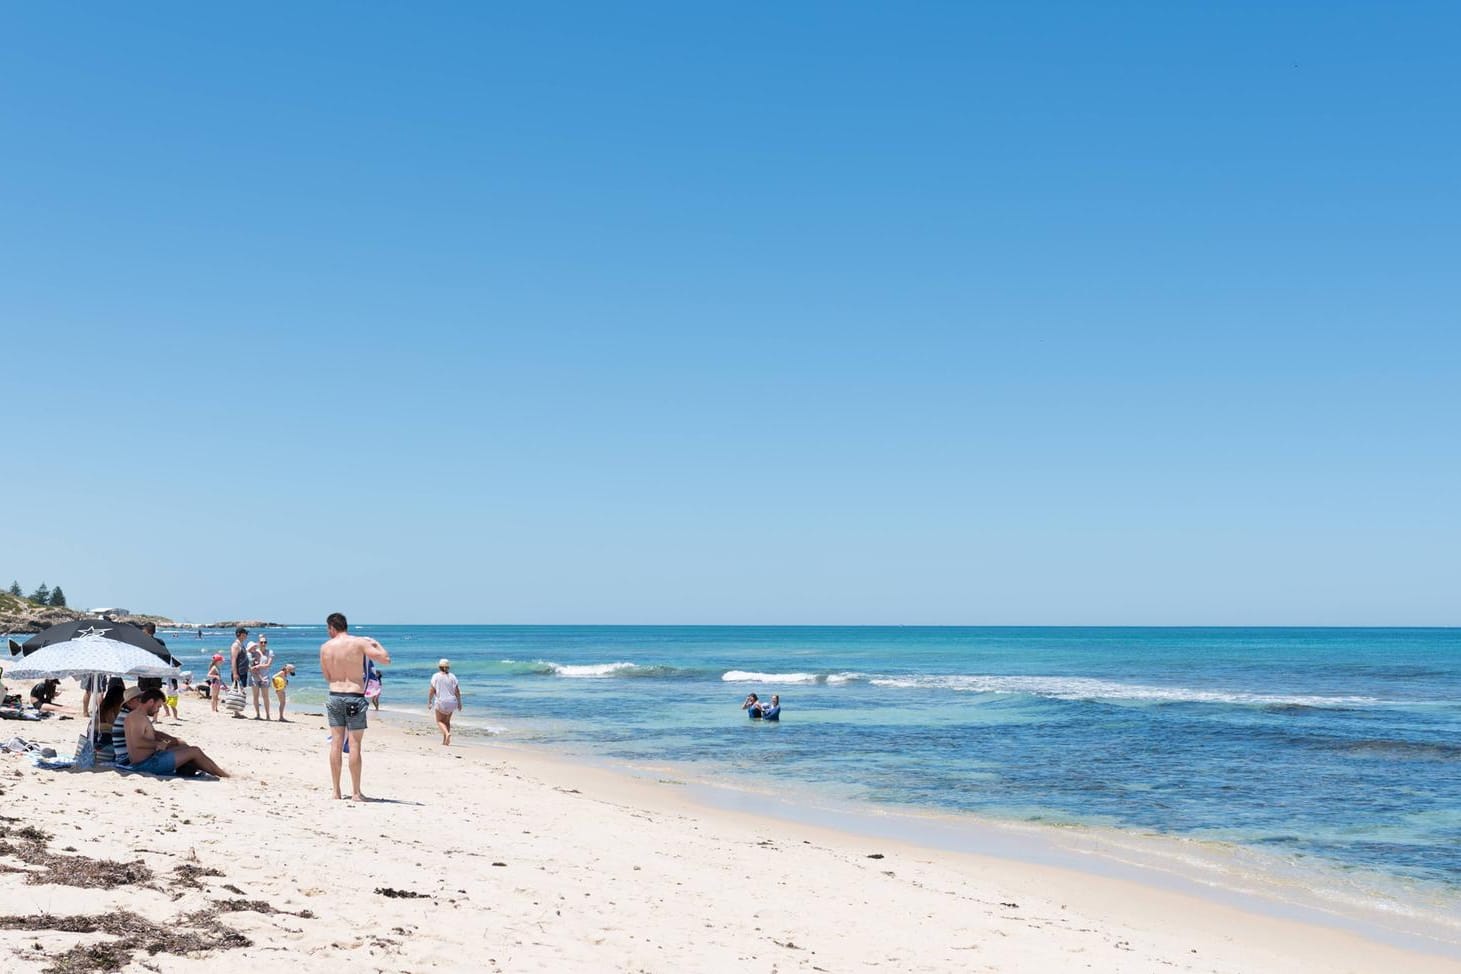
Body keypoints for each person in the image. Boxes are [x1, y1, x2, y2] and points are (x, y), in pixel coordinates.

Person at [319, 612, 391, 800]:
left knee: (335, 743)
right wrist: (375, 643)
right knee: (355, 744)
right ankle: (356, 792)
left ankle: (336, 791)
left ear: (332, 628)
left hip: (335, 695)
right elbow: (385, 659)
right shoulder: (359, 643)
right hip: (354, 696)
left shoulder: (325, 647)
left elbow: (327, 676)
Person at [116, 687, 229, 778]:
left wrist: (167, 741)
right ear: (151, 702)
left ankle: (216, 771)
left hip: (147, 760)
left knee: (186, 747)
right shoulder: (138, 718)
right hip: (147, 764)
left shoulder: (135, 716)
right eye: (158, 706)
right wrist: (158, 744)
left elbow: (145, 737)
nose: (158, 710)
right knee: (195, 751)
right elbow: (137, 742)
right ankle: (224, 775)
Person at [426, 659, 461, 746]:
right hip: (452, 702)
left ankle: (447, 734)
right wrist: (459, 702)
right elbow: (457, 691)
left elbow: (431, 690)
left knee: (439, 721)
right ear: (448, 667)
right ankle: (445, 741)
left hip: (441, 701)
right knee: (447, 721)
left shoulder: (436, 676)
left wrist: (429, 701)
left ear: (439, 667)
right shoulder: (452, 676)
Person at [249, 634, 274, 720]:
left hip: (265, 677)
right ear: (258, 643)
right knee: (255, 696)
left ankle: (267, 715)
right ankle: (258, 715)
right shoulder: (254, 651)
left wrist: (258, 666)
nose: (263, 643)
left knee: (265, 697)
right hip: (254, 677)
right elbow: (250, 662)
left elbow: (268, 665)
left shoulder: (269, 652)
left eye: (265, 642)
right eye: (261, 642)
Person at [229, 627, 250, 691]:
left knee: (242, 691)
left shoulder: (241, 644)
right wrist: (235, 674)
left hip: (243, 672)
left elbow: (243, 659)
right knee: (238, 692)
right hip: (239, 673)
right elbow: (233, 660)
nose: (246, 635)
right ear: (240, 634)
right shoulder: (236, 645)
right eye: (245, 633)